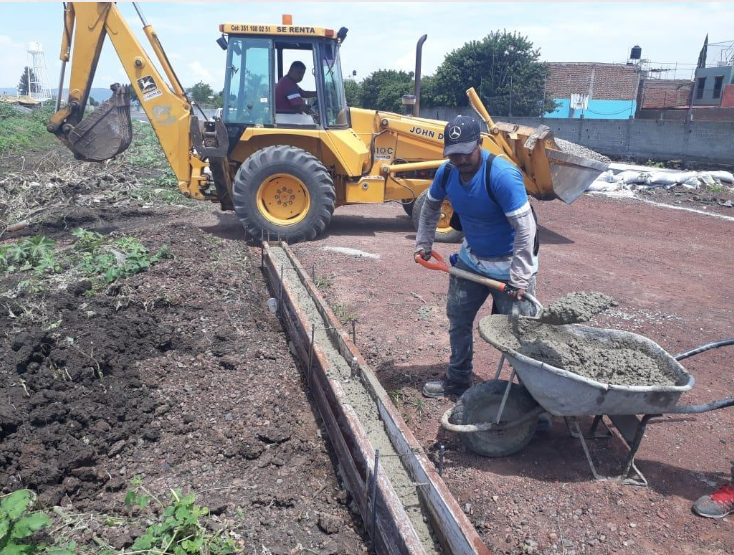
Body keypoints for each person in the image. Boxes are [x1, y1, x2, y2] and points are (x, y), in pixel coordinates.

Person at [415, 115, 539, 398]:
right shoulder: (447, 173)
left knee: (521, 335)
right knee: (458, 319)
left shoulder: (501, 176)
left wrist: (520, 278)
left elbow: (525, 229)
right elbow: (431, 207)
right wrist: (423, 242)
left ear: (480, 143)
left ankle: (531, 401)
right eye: (453, 154)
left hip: (510, 266)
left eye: (465, 152)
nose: (459, 160)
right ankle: (458, 380)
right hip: (472, 260)